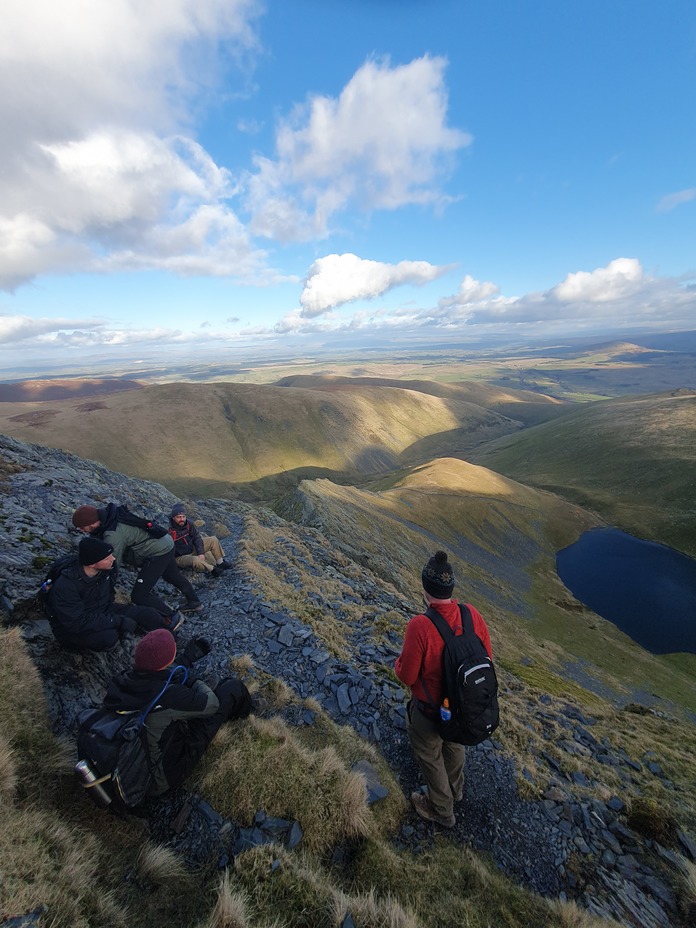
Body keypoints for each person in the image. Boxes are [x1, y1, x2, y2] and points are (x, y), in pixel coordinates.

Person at [395, 550, 493, 828]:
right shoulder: (471, 614)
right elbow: (487, 658)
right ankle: (456, 791)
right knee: (454, 743)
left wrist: (397, 665)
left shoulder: (420, 625)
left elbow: (408, 675)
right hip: (463, 707)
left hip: (430, 712)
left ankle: (441, 809)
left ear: (425, 589)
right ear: (450, 589)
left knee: (429, 753)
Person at [103, 628, 252, 795]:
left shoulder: (121, 680)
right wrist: (192, 679)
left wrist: (185, 660)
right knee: (232, 688)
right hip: (161, 778)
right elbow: (212, 704)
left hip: (133, 756)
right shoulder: (168, 695)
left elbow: (156, 673)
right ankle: (250, 714)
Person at [47, 537, 180, 652]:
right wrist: (117, 621)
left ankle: (172, 644)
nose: (113, 558)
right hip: (74, 626)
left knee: (148, 614)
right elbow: (76, 622)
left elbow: (109, 597)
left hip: (103, 609)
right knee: (108, 637)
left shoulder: (107, 569)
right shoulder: (66, 585)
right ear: (92, 564)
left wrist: (118, 617)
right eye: (107, 557)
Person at [72, 503, 203, 619]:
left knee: (139, 596)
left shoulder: (113, 535)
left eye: (82, 527)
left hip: (158, 551)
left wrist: (103, 589)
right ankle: (194, 602)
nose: (80, 530)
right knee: (172, 575)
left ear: (92, 523)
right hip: (166, 543)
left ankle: (171, 618)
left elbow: (112, 564)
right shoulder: (110, 516)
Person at [168, 503, 233, 577]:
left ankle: (220, 563)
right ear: (173, 517)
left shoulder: (189, 524)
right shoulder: (169, 530)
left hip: (192, 549)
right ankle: (213, 570)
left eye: (183, 516)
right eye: (178, 517)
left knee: (213, 539)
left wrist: (201, 552)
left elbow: (196, 537)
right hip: (180, 557)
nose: (182, 519)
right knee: (195, 560)